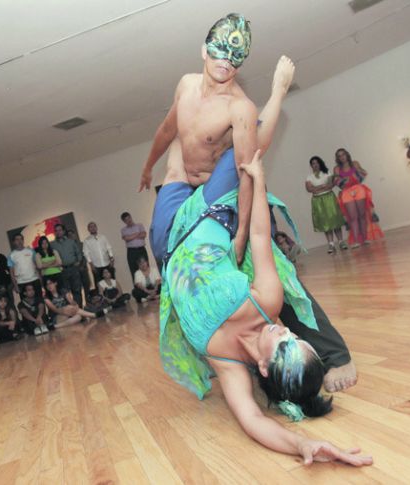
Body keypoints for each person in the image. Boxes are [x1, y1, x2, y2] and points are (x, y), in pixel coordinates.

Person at [139, 21, 357, 393]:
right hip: (179, 185)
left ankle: (334, 354)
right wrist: (147, 166)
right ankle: (224, 352)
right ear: (204, 50)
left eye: (235, 58)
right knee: (164, 251)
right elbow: (165, 130)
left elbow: (248, 165)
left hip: (222, 189)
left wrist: (241, 232)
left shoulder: (238, 105)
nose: (226, 62)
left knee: (268, 270)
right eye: (220, 52)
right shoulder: (186, 85)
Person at [160, 148, 372, 465]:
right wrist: (258, 180)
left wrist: (302, 444)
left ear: (263, 368)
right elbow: (259, 235)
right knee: (237, 136)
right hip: (203, 216)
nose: (285, 332)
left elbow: (253, 421)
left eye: (284, 347)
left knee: (174, 165)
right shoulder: (267, 302)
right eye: (297, 339)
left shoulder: (228, 365)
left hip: (165, 242)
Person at [333, 148, 384, 248]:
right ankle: (356, 241)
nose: (342, 157)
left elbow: (363, 174)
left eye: (343, 154)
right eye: (339, 156)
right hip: (346, 192)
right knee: (353, 217)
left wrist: (353, 176)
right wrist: (344, 181)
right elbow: (337, 182)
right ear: (337, 158)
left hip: (359, 189)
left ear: (347, 155)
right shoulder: (337, 169)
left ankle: (365, 239)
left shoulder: (355, 163)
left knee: (362, 215)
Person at [305, 156, 346, 253]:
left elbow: (330, 186)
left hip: (329, 198)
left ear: (320, 163)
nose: (315, 165)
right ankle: (331, 244)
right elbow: (309, 189)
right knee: (325, 222)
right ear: (311, 165)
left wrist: (318, 188)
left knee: (334, 219)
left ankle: (341, 242)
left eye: (317, 163)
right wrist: (322, 186)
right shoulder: (309, 177)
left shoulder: (327, 173)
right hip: (318, 201)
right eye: (313, 163)